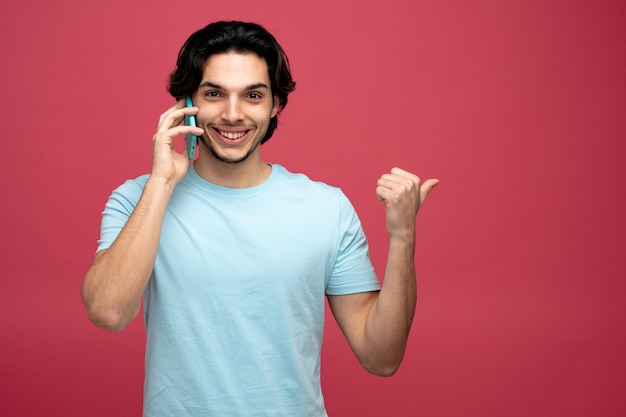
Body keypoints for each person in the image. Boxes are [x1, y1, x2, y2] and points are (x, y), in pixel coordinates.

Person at [81, 20, 438, 417]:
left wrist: (403, 237)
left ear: (275, 105)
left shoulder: (326, 208)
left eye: (253, 95)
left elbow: (381, 357)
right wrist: (162, 182)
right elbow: (108, 312)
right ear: (186, 102)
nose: (233, 114)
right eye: (214, 93)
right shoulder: (138, 200)